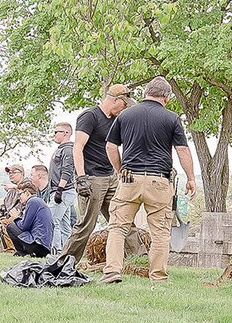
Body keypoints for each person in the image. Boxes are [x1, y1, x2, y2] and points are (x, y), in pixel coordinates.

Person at [103, 77, 199, 284]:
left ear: (146, 92)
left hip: (129, 178)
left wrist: (120, 171)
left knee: (118, 228)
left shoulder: (125, 115)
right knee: (161, 233)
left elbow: (111, 147)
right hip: (159, 181)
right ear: (167, 97)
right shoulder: (171, 118)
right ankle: (158, 277)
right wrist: (191, 178)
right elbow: (182, 150)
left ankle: (112, 272)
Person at [69, 84, 131, 260]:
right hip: (92, 177)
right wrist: (81, 177)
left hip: (111, 177)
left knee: (120, 219)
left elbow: (115, 148)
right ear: (114, 100)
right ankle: (66, 262)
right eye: (124, 104)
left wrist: (120, 172)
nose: (125, 108)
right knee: (87, 224)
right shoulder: (90, 116)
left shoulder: (115, 120)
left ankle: (133, 261)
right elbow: (78, 147)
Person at [47, 119, 76, 250]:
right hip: (62, 191)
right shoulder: (61, 149)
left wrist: (59, 189)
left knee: (53, 221)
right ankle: (67, 252)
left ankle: (56, 251)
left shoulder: (68, 150)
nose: (54, 135)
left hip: (64, 191)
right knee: (64, 224)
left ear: (65, 133)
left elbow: (67, 170)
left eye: (56, 132)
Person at [4, 184, 55, 258]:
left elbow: (24, 226)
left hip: (38, 245)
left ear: (27, 193)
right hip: (44, 246)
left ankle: (23, 253)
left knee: (10, 226)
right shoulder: (38, 201)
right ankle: (24, 253)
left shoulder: (32, 201)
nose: (18, 197)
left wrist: (15, 217)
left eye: (20, 194)